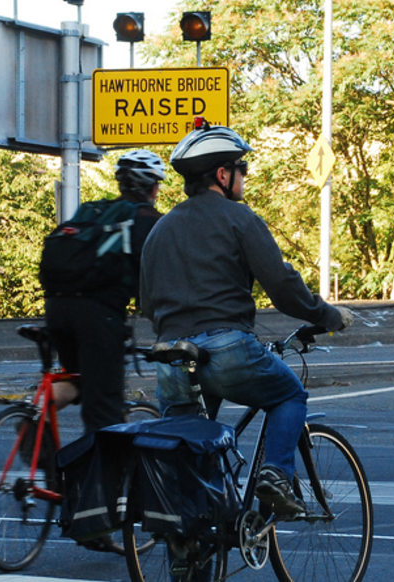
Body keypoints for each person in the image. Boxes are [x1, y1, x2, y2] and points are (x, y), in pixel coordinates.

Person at [139, 120, 353, 518]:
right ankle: (274, 475)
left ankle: (191, 549)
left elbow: (147, 304)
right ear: (223, 174)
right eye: (242, 169)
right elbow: (283, 285)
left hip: (172, 357)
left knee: (193, 453)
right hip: (227, 351)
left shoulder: (160, 230)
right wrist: (327, 315)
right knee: (290, 396)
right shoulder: (240, 219)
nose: (244, 178)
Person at [45, 149, 165, 435]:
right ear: (151, 186)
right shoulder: (146, 220)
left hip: (57, 308)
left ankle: (35, 412)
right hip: (98, 317)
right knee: (105, 409)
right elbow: (154, 281)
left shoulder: (94, 211)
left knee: (81, 380)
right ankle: (104, 479)